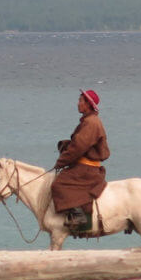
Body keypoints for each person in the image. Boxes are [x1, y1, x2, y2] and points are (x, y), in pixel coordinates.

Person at [51, 89, 110, 228]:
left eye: (80, 101)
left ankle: (80, 217)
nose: (78, 104)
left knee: (59, 184)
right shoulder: (89, 121)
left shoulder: (91, 123)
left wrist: (60, 162)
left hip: (87, 168)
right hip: (85, 165)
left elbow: (78, 147)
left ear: (88, 104)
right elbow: (78, 145)